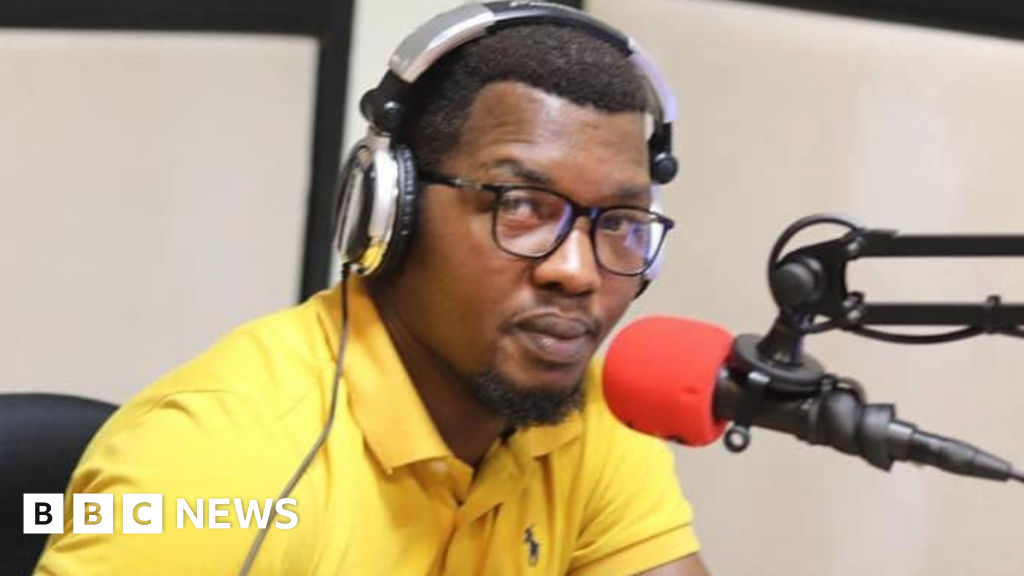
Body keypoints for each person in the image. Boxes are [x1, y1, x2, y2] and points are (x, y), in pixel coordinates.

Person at [34, 3, 711, 575]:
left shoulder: (584, 419)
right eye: (522, 206)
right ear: (390, 211)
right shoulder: (212, 463)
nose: (579, 271)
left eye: (618, 223)